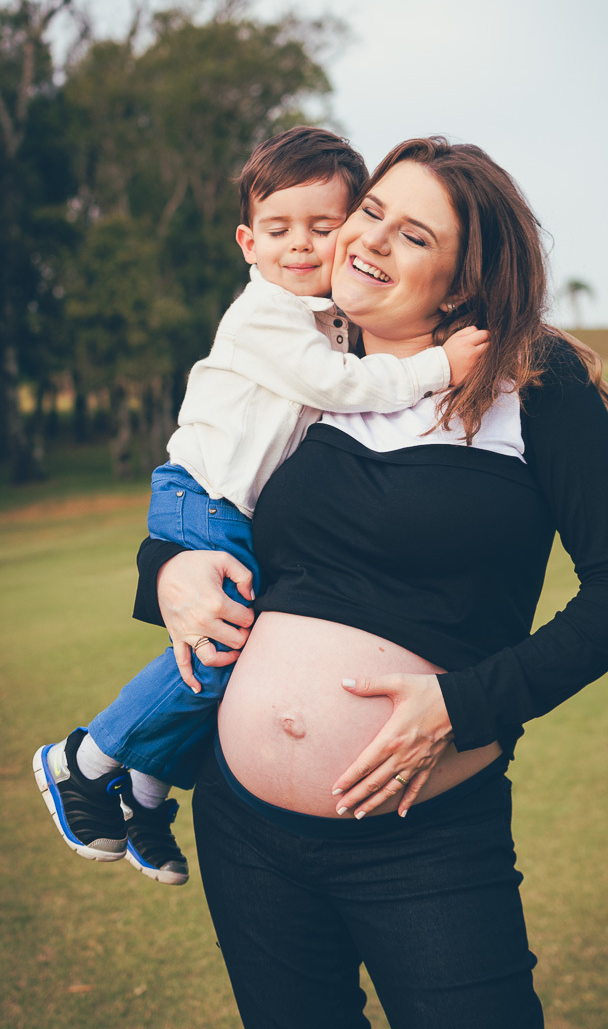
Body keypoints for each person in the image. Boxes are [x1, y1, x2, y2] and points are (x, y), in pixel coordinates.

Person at [134, 137, 608, 1028]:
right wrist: (166, 574)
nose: (369, 240)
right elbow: (201, 505)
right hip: (246, 830)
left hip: (424, 836)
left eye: (413, 235)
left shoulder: (533, 385)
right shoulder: (304, 374)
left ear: (461, 282)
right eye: (371, 212)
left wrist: (464, 705)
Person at [33, 127, 487, 886]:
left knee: (228, 649)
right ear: (248, 241)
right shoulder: (269, 315)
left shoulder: (329, 319)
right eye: (279, 230)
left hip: (224, 506)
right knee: (221, 647)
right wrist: (440, 365)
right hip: (201, 496)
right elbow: (339, 388)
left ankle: (144, 792)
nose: (301, 246)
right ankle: (86, 759)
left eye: (323, 227)